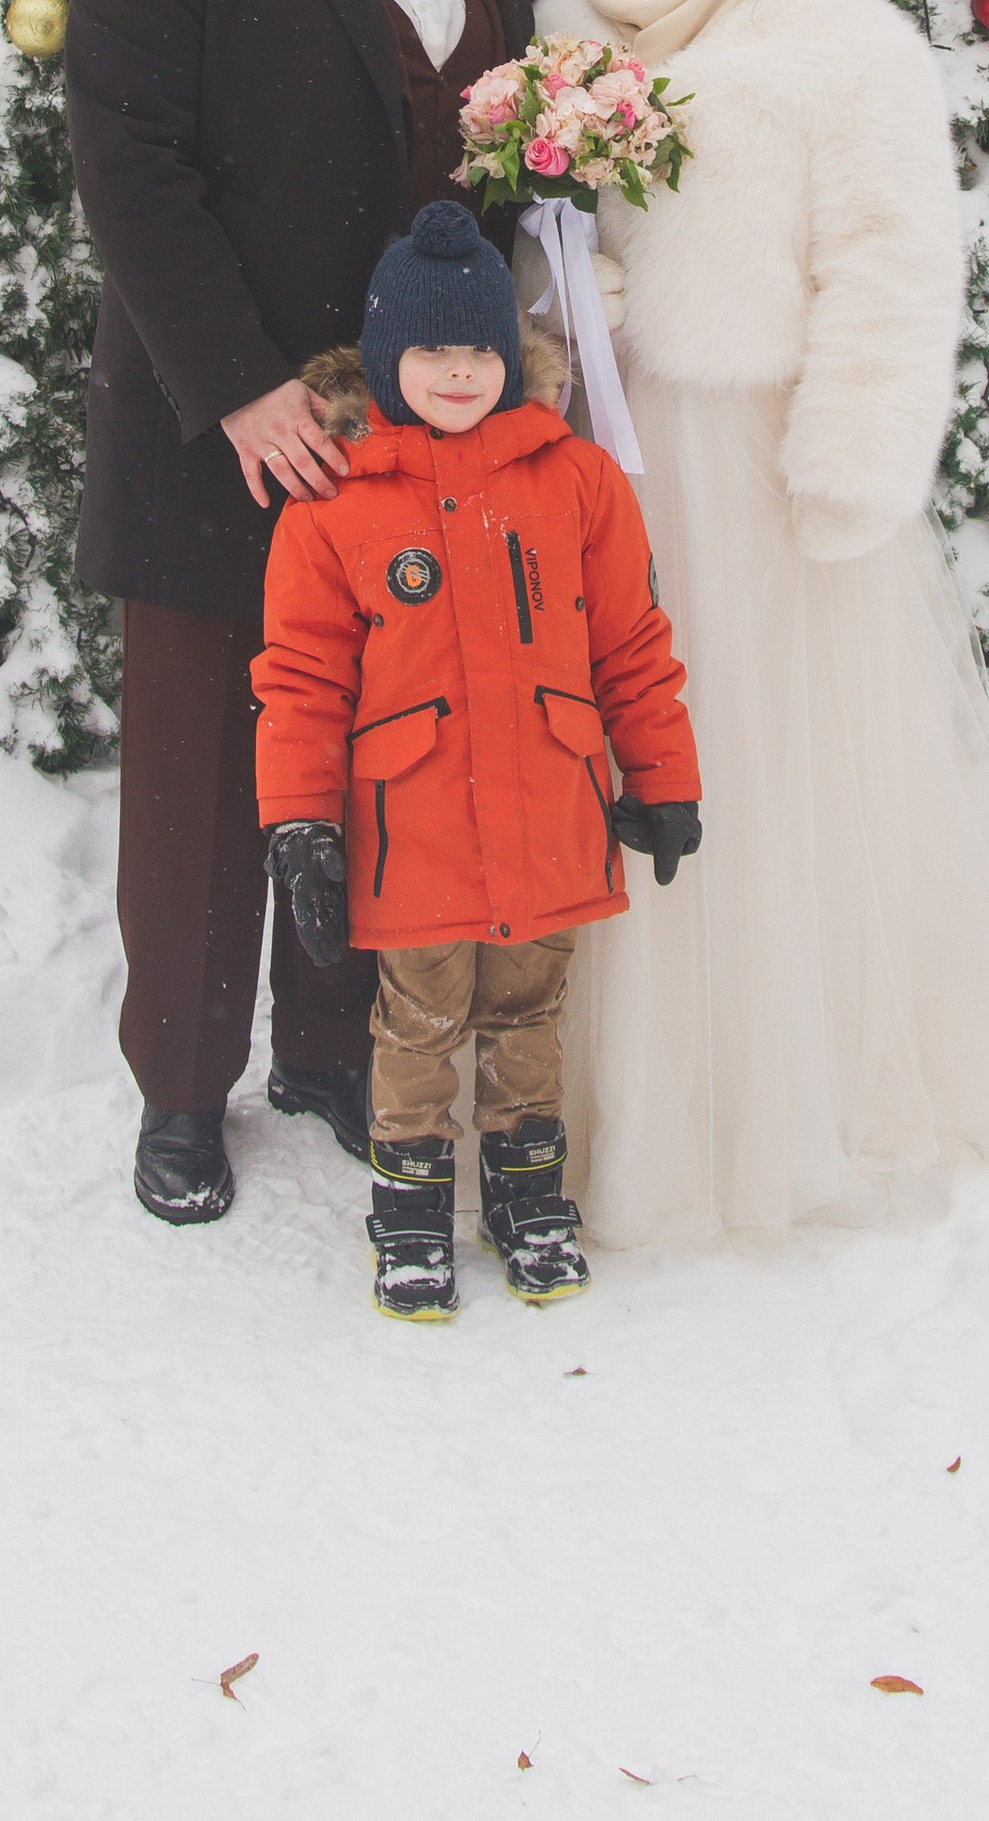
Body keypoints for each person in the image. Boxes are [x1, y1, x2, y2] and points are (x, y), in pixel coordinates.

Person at [548, 0, 989, 1244]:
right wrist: (573, 299)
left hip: (760, 462)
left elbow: (891, 255)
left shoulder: (837, 44)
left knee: (761, 758)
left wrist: (849, 456)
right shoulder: (567, 37)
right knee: (622, 744)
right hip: (613, 448)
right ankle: (633, 1095)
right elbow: (546, 232)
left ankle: (792, 1094)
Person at [65, 0, 542, 1225]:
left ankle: (334, 1054)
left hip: (419, 452)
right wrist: (240, 387)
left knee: (383, 754)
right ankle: (182, 1087)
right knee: (204, 773)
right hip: (229, 439)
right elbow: (130, 171)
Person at [251, 201, 703, 1319]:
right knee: (416, 1022)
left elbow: (631, 644)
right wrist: (300, 822)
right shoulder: (334, 505)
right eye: (431, 351)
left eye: (479, 352)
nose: (459, 373)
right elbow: (301, 679)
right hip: (414, 829)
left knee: (528, 1017)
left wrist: (664, 777)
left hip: (550, 811)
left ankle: (528, 1196)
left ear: (511, 356)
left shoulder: (577, 481)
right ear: (385, 360)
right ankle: (410, 1210)